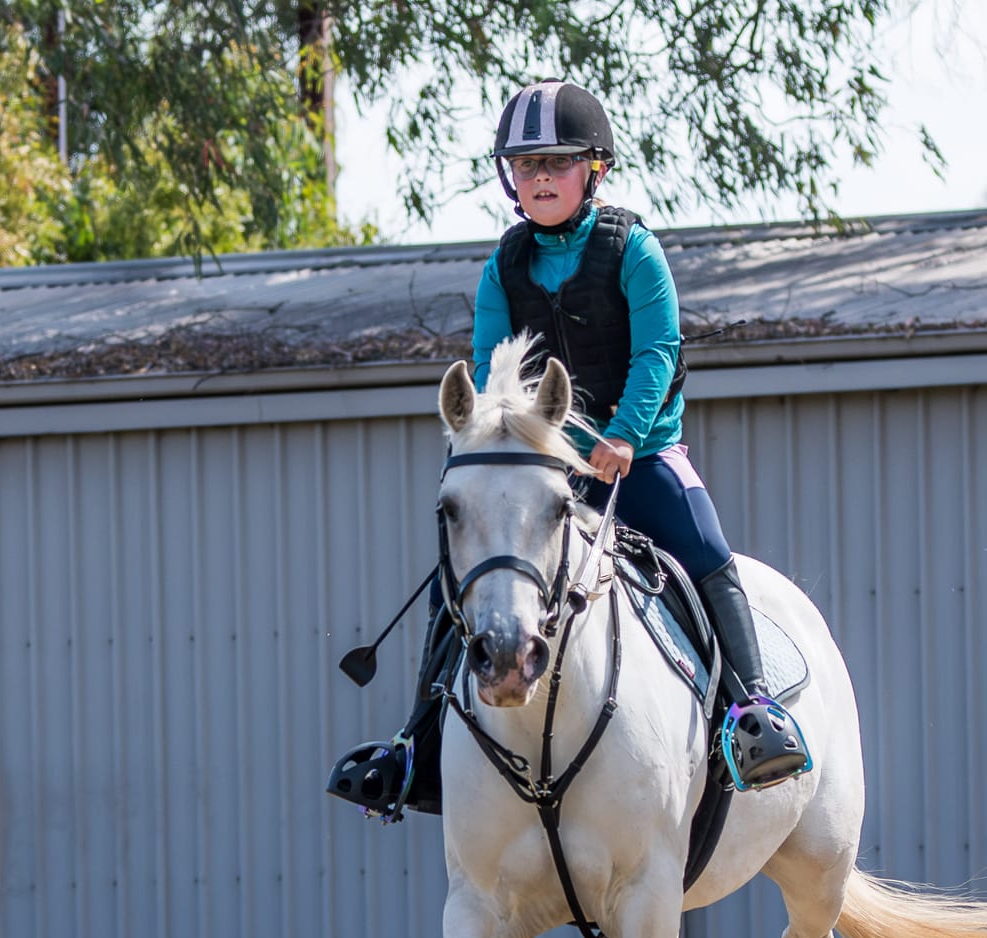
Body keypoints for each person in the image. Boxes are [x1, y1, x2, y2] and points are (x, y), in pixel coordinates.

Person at [326, 78, 809, 819]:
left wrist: (621, 435)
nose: (541, 177)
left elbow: (659, 355)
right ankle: (416, 747)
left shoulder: (634, 251)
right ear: (510, 179)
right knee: (455, 580)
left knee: (705, 549)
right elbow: (494, 374)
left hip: (639, 456)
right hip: (550, 468)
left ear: (595, 168)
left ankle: (753, 713)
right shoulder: (502, 266)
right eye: (526, 166)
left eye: (556, 161)